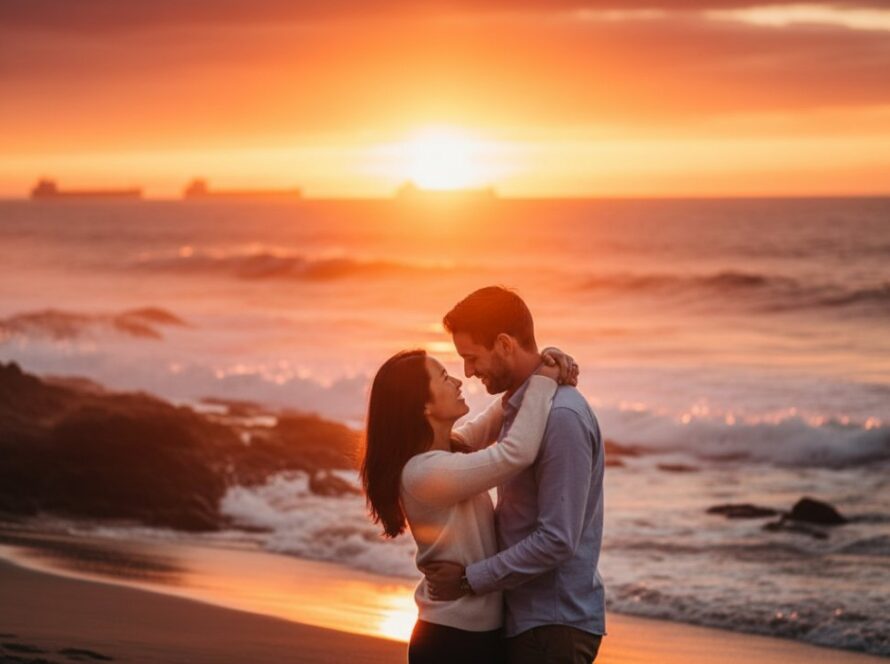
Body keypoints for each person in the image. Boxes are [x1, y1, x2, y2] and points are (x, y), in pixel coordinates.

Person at [423, 286, 606, 664]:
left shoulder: (561, 419)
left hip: (552, 625)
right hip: (527, 619)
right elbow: (464, 443)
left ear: (505, 344)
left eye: (471, 358)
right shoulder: (521, 409)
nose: (468, 372)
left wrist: (468, 579)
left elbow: (557, 540)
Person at [361, 345, 578, 664]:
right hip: (453, 641)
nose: (459, 382)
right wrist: (543, 382)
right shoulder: (424, 473)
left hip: (471, 636)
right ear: (423, 406)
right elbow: (515, 453)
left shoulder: (448, 453)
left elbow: (495, 418)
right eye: (444, 377)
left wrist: (537, 366)